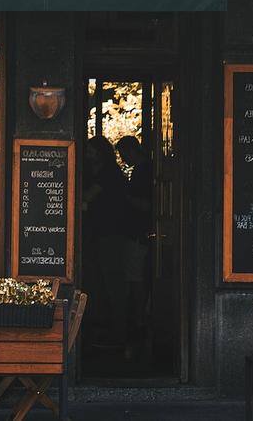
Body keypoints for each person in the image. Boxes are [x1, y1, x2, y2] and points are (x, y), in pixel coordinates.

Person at [82, 136, 133, 358]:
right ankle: (111, 329)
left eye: (91, 152)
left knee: (112, 281)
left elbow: (86, 200)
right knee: (106, 280)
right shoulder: (107, 173)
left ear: (101, 153)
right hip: (106, 233)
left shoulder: (107, 175)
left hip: (110, 234)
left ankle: (117, 332)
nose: (87, 155)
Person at [115, 136, 154, 360]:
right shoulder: (145, 169)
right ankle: (139, 317)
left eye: (123, 154)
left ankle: (138, 318)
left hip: (138, 233)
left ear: (131, 150)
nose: (122, 159)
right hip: (138, 233)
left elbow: (145, 204)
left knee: (135, 277)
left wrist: (125, 197)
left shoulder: (142, 171)